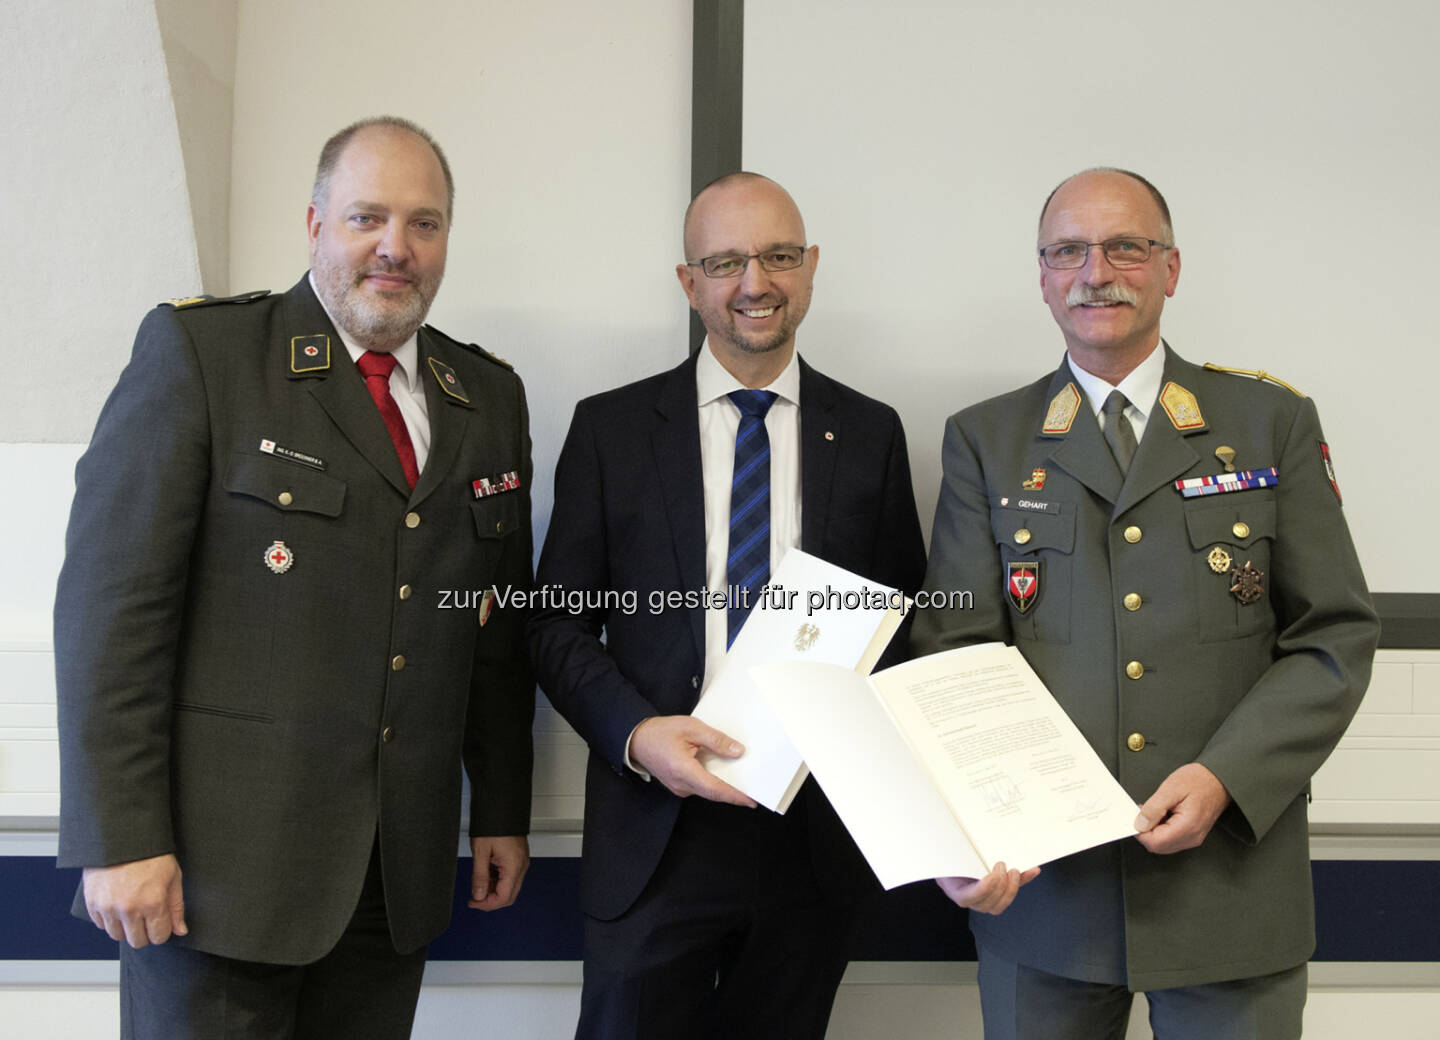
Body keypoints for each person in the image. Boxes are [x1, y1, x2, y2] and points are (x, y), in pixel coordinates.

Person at [54, 116, 535, 1038]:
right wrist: (120, 839)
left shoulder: (488, 400)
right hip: (214, 882)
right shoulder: (206, 357)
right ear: (314, 224)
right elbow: (111, 614)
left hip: (394, 881)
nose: (396, 247)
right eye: (368, 218)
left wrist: (502, 807)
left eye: (424, 224)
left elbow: (493, 630)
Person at [911, 167, 1380, 1039]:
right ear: (1044, 276)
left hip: (1234, 887)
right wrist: (966, 826)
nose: (1097, 270)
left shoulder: (1269, 421)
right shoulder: (987, 439)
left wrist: (1224, 777)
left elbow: (1335, 636)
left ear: (1171, 267)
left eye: (1126, 245)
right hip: (1048, 896)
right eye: (1069, 250)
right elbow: (955, 654)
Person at [527, 171, 927, 1038]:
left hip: (813, 841)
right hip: (654, 831)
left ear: (812, 266)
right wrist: (637, 734)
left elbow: (902, 633)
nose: (756, 283)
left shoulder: (870, 434)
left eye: (780, 255)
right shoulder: (613, 430)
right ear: (689, 281)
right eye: (726, 261)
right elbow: (554, 622)